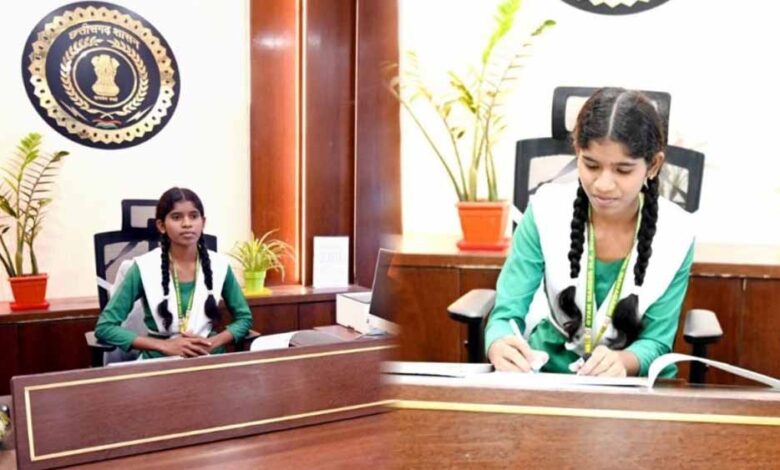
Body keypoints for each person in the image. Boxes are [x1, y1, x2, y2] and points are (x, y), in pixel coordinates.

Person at [486, 88, 694, 378]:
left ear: (653, 165)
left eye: (623, 170)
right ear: (577, 154)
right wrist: (498, 342)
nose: (603, 185)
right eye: (591, 165)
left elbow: (657, 342)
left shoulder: (677, 233)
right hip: (550, 374)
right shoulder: (545, 210)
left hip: (631, 384)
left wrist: (623, 361)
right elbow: (506, 313)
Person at [95, 187, 253, 359]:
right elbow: (105, 327)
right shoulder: (143, 267)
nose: (187, 224)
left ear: (203, 222)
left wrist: (212, 343)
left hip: (209, 359)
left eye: (194, 216)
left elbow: (244, 319)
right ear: (161, 226)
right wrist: (164, 346)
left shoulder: (219, 265)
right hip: (159, 363)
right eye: (177, 217)